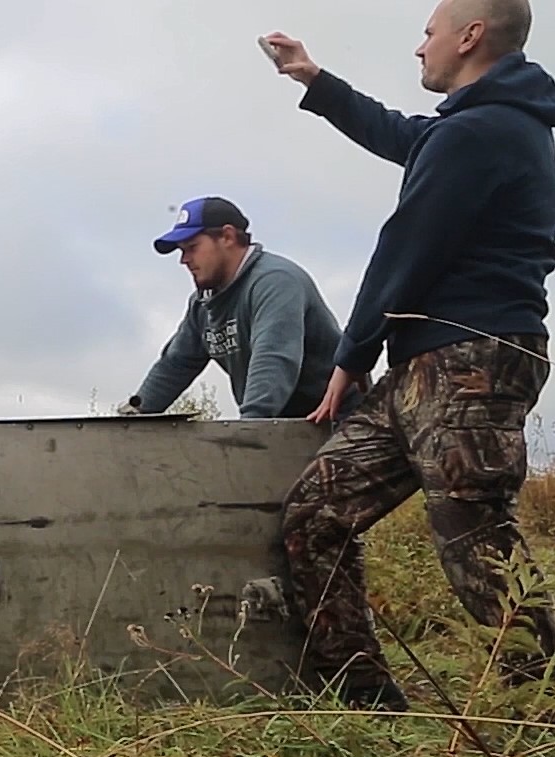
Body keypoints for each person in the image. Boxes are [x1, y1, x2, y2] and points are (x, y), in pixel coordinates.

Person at [264, 0, 555, 711]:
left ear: (470, 36)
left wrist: (350, 354)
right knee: (316, 514)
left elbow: (406, 249)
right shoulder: (479, 128)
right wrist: (316, 80)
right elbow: (405, 135)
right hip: (425, 363)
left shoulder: (483, 131)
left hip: (470, 361)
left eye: (428, 33)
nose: (419, 47)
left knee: (479, 550)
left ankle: (542, 709)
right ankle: (364, 695)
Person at [122, 196, 351, 419]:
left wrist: (248, 426)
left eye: (192, 247)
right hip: (281, 425)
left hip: (340, 419)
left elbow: (273, 357)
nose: (184, 260)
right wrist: (133, 419)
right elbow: (176, 364)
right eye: (182, 251)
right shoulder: (203, 303)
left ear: (227, 237)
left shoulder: (275, 282)